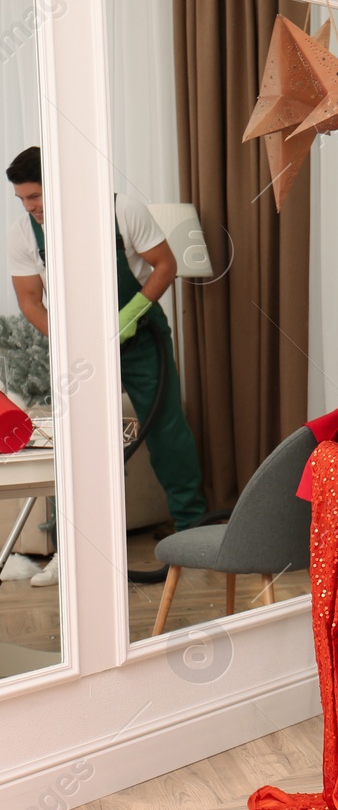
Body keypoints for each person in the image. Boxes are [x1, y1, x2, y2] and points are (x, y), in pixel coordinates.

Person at [6, 147, 207, 587]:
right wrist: (67, 338)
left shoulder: (121, 210)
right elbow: (28, 300)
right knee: (79, 441)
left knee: (167, 429)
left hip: (141, 338)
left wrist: (127, 317)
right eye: (23, 198)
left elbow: (165, 265)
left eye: (36, 195)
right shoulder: (25, 232)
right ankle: (71, 547)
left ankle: (193, 530)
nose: (30, 206)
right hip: (80, 347)